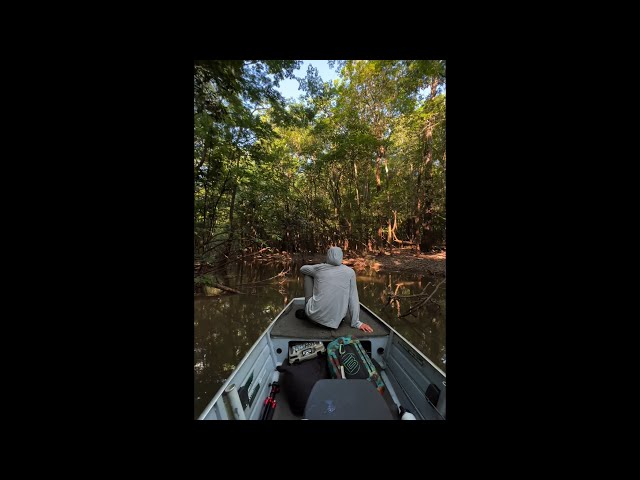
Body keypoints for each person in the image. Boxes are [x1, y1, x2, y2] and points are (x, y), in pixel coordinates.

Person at [296, 246, 373, 333]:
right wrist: (357, 323)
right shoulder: (350, 272)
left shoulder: (319, 269)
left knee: (308, 275)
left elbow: (302, 269)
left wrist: (319, 267)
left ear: (328, 256)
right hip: (337, 323)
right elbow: (353, 298)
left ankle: (310, 310)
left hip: (314, 319)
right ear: (341, 256)